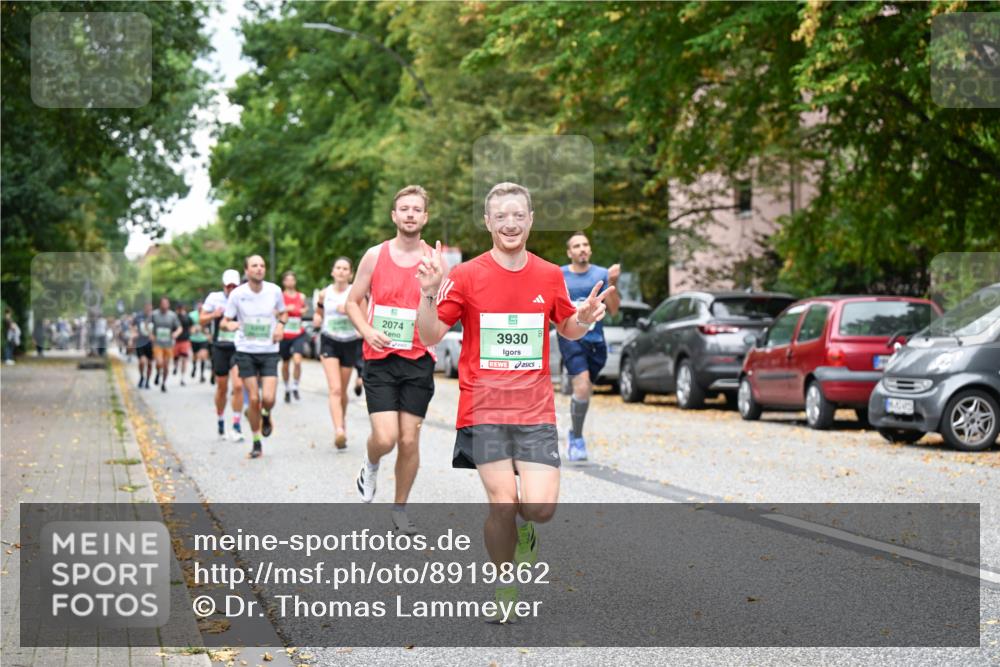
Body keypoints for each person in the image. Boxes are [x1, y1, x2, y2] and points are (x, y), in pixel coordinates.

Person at [415, 182, 613, 620]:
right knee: (502, 502)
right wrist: (429, 293)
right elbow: (429, 336)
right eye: (500, 215)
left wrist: (581, 318)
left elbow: (567, 327)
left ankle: (525, 534)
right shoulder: (465, 275)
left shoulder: (548, 274)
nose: (509, 223)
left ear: (530, 220)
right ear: (488, 222)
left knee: (539, 509)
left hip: (535, 410)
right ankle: (505, 584)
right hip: (483, 409)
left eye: (517, 215)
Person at [346, 185, 437, 534]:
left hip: (418, 358)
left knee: (409, 439)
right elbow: (352, 301)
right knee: (385, 439)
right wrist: (367, 331)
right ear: (394, 216)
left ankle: (400, 508)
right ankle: (370, 465)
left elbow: (442, 311)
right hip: (380, 357)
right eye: (404, 208)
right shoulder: (374, 255)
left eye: (417, 209)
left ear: (425, 217)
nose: (410, 214)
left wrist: (432, 289)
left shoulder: (434, 260)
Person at [558, 232, 620, 461]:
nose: (582, 249)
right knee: (582, 386)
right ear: (569, 252)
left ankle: (575, 422)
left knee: (585, 388)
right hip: (570, 338)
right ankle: (577, 437)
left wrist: (613, 282)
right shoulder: (559, 275)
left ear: (590, 250)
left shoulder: (602, 274)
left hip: (596, 341)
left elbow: (613, 310)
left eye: (585, 245)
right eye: (576, 246)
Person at [221, 256, 286, 459]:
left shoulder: (274, 290)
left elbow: (283, 314)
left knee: (268, 398)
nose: (259, 269)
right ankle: (256, 442)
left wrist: (280, 326)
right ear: (246, 271)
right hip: (246, 350)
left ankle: (266, 415)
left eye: (262, 265)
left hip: (269, 351)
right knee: (255, 398)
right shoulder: (238, 294)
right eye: (254, 266)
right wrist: (230, 325)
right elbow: (225, 321)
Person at [314, 257, 363, 450]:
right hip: (330, 341)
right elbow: (318, 314)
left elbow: (365, 315)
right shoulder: (324, 293)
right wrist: (317, 319)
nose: (341, 271)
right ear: (333, 272)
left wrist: (350, 311)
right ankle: (339, 431)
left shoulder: (355, 293)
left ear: (350, 274)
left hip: (349, 342)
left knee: (342, 390)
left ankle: (341, 424)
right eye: (338, 268)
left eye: (345, 269)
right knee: (334, 389)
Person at [279, 271, 309, 403]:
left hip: (298, 332)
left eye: (292, 280)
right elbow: (275, 311)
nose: (290, 282)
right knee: (285, 363)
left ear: (295, 282)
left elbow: (306, 308)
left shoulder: (300, 296)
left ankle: (295, 385)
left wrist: (301, 310)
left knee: (297, 360)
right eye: (288, 280)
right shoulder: (280, 296)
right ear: (284, 282)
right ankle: (287, 388)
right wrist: (286, 308)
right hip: (284, 334)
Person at [151, 296, 182, 392]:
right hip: (158, 343)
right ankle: (157, 372)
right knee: (159, 362)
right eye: (163, 303)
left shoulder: (172, 315)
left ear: (168, 305)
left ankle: (163, 383)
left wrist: (175, 333)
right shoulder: (154, 314)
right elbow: (148, 325)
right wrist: (151, 335)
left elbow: (179, 328)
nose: (164, 305)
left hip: (168, 344)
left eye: (166, 303)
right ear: (160, 304)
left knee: (166, 365)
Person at [131, 303, 155, 388]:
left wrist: (154, 336)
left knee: (149, 363)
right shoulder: (138, 316)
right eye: (147, 307)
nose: (149, 308)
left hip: (150, 344)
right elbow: (132, 326)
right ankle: (141, 377)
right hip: (140, 342)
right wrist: (135, 333)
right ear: (144, 307)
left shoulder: (154, 317)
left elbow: (158, 328)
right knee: (142, 361)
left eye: (150, 307)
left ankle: (147, 381)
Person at [189, 300, 210, 383]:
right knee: (195, 355)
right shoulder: (191, 315)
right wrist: (193, 330)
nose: (200, 308)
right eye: (199, 306)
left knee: (203, 356)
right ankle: (194, 367)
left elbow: (209, 326)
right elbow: (188, 326)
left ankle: (202, 375)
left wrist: (206, 331)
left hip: (203, 339)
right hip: (194, 339)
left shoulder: (206, 315)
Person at [172, 303, 193, 385]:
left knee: (184, 359)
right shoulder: (174, 317)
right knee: (176, 358)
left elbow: (192, 326)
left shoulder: (187, 317)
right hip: (176, 340)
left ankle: (182, 378)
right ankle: (175, 367)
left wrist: (190, 333)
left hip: (185, 340)